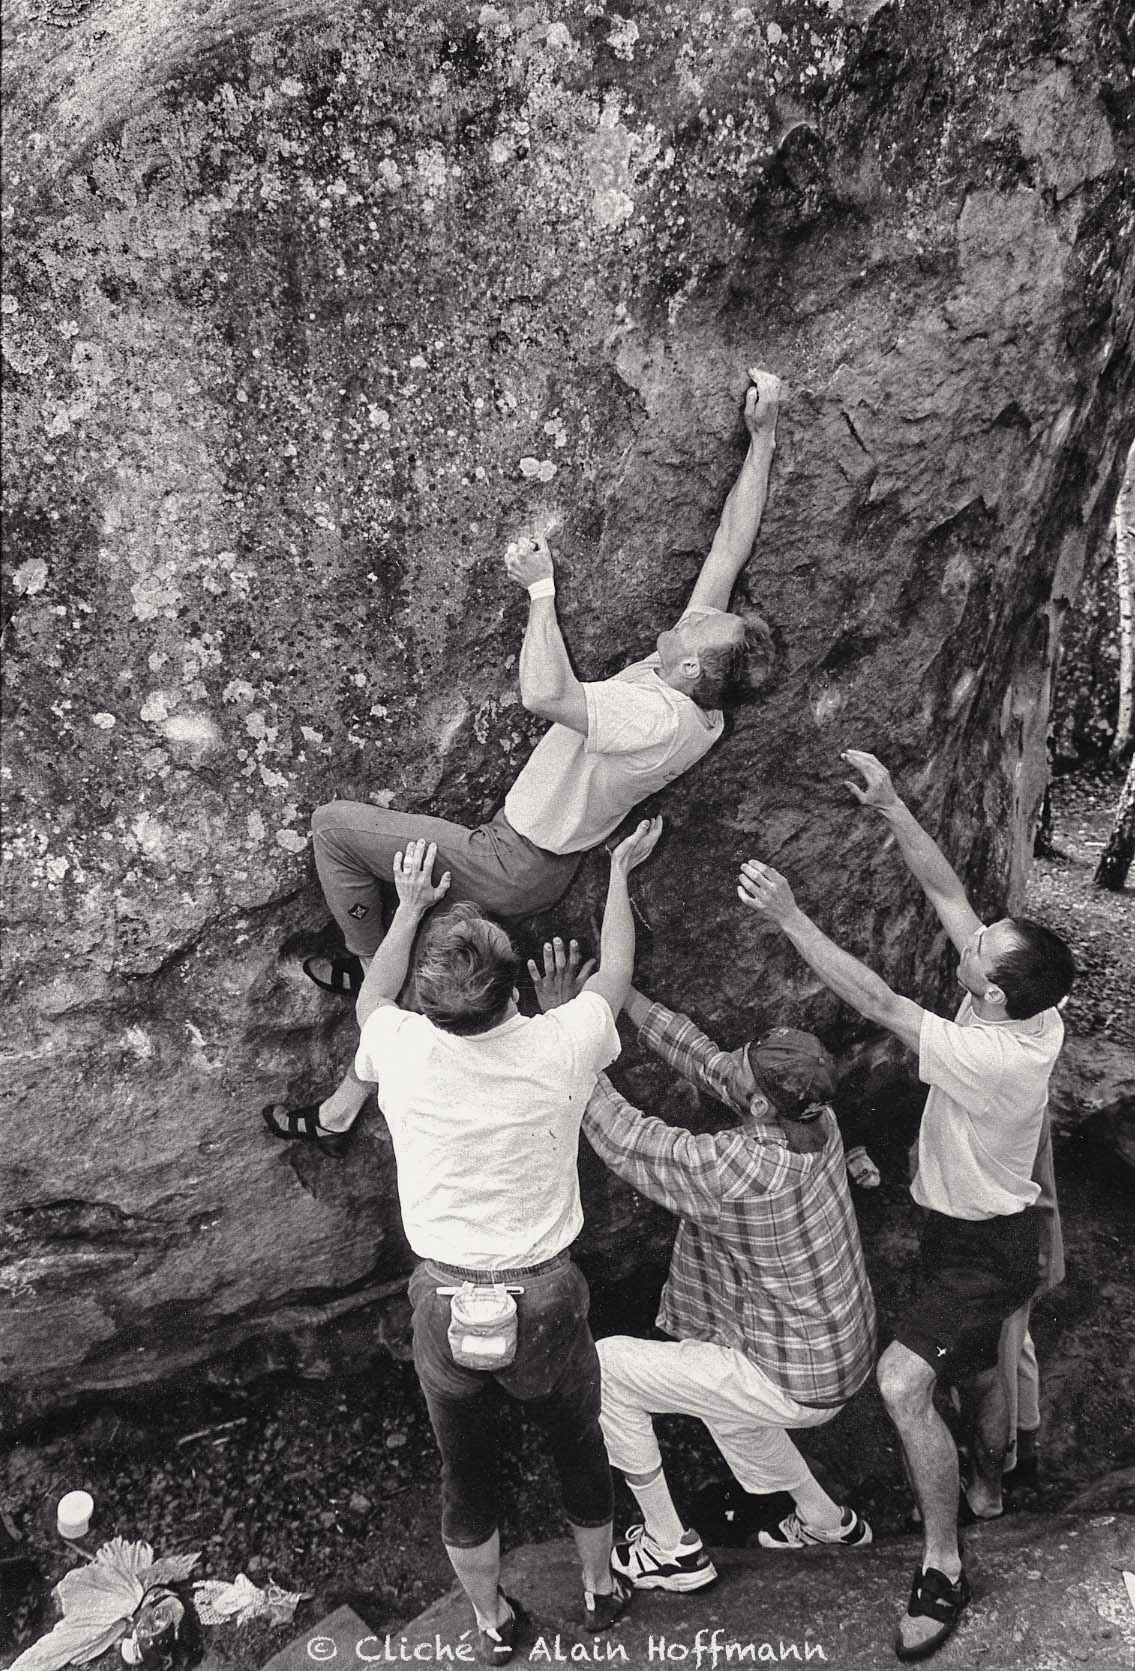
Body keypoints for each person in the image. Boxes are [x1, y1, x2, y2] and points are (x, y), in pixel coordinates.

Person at [262, 368, 782, 1153]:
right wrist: (763, 437)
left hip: (509, 858)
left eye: (697, 627)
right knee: (443, 962)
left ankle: (369, 967)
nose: (694, 614)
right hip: (538, 859)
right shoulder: (700, 689)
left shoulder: (652, 714)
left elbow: (546, 694)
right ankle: (342, 1101)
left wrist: (540, 591)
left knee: (335, 829)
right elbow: (729, 546)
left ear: (685, 670)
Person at [736, 748, 1075, 1664]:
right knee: (976, 1360)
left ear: (991, 990)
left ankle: (942, 1563)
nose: (964, 941)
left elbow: (879, 999)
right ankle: (997, 1480)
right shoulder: (1023, 1006)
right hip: (965, 1221)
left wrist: (789, 916)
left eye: (975, 954)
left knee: (902, 1378)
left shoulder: (991, 1054)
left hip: (984, 1241)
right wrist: (891, 805)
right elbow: (950, 898)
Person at [349, 817, 660, 1661]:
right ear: (516, 988)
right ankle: (599, 1590)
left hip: (444, 1295)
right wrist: (621, 873)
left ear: (431, 1003)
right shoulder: (563, 1043)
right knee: (576, 1441)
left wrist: (408, 907)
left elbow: (370, 1001)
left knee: (467, 1473)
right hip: (547, 1294)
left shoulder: (402, 1046)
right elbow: (618, 974)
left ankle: (490, 1622)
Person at [529, 937, 877, 1597]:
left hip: (792, 1375)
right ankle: (825, 1519)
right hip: (835, 1352)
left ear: (759, 1109)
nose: (732, 1071)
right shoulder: (817, 1115)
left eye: (744, 1079)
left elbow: (627, 1137)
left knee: (605, 1371)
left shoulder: (741, 1169)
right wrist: (615, 989)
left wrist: (563, 1034)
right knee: (715, 1378)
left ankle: (669, 1546)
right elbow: (710, 1062)